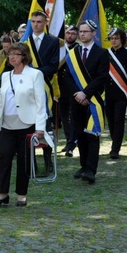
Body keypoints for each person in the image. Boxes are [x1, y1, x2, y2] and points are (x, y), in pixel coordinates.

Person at [0, 42, 46, 207]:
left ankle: (22, 194)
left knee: (24, 160)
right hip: (7, 123)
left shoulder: (35, 74)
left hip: (27, 123)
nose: (12, 57)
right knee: (4, 158)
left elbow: (40, 102)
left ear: (24, 56)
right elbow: (1, 102)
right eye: (10, 54)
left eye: (16, 54)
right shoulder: (6, 75)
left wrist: (40, 127)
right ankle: (2, 193)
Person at [66, 20, 110, 184]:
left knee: (92, 134)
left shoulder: (102, 53)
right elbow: (68, 77)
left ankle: (91, 169)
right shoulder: (73, 52)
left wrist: (86, 93)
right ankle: (83, 165)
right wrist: (78, 94)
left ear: (94, 34)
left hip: (94, 99)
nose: (82, 34)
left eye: (85, 31)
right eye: (81, 31)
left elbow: (102, 76)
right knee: (80, 133)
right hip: (76, 99)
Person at [105, 28, 127, 159]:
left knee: (119, 121)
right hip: (108, 93)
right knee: (111, 121)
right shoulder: (105, 54)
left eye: (116, 38)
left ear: (122, 40)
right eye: (112, 38)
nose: (114, 41)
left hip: (121, 94)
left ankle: (115, 149)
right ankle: (115, 142)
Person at [56, 26, 80, 156]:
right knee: (64, 115)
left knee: (73, 116)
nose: (70, 35)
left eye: (73, 33)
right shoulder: (59, 49)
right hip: (60, 87)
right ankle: (68, 141)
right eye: (68, 33)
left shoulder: (79, 49)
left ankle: (72, 142)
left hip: (74, 87)